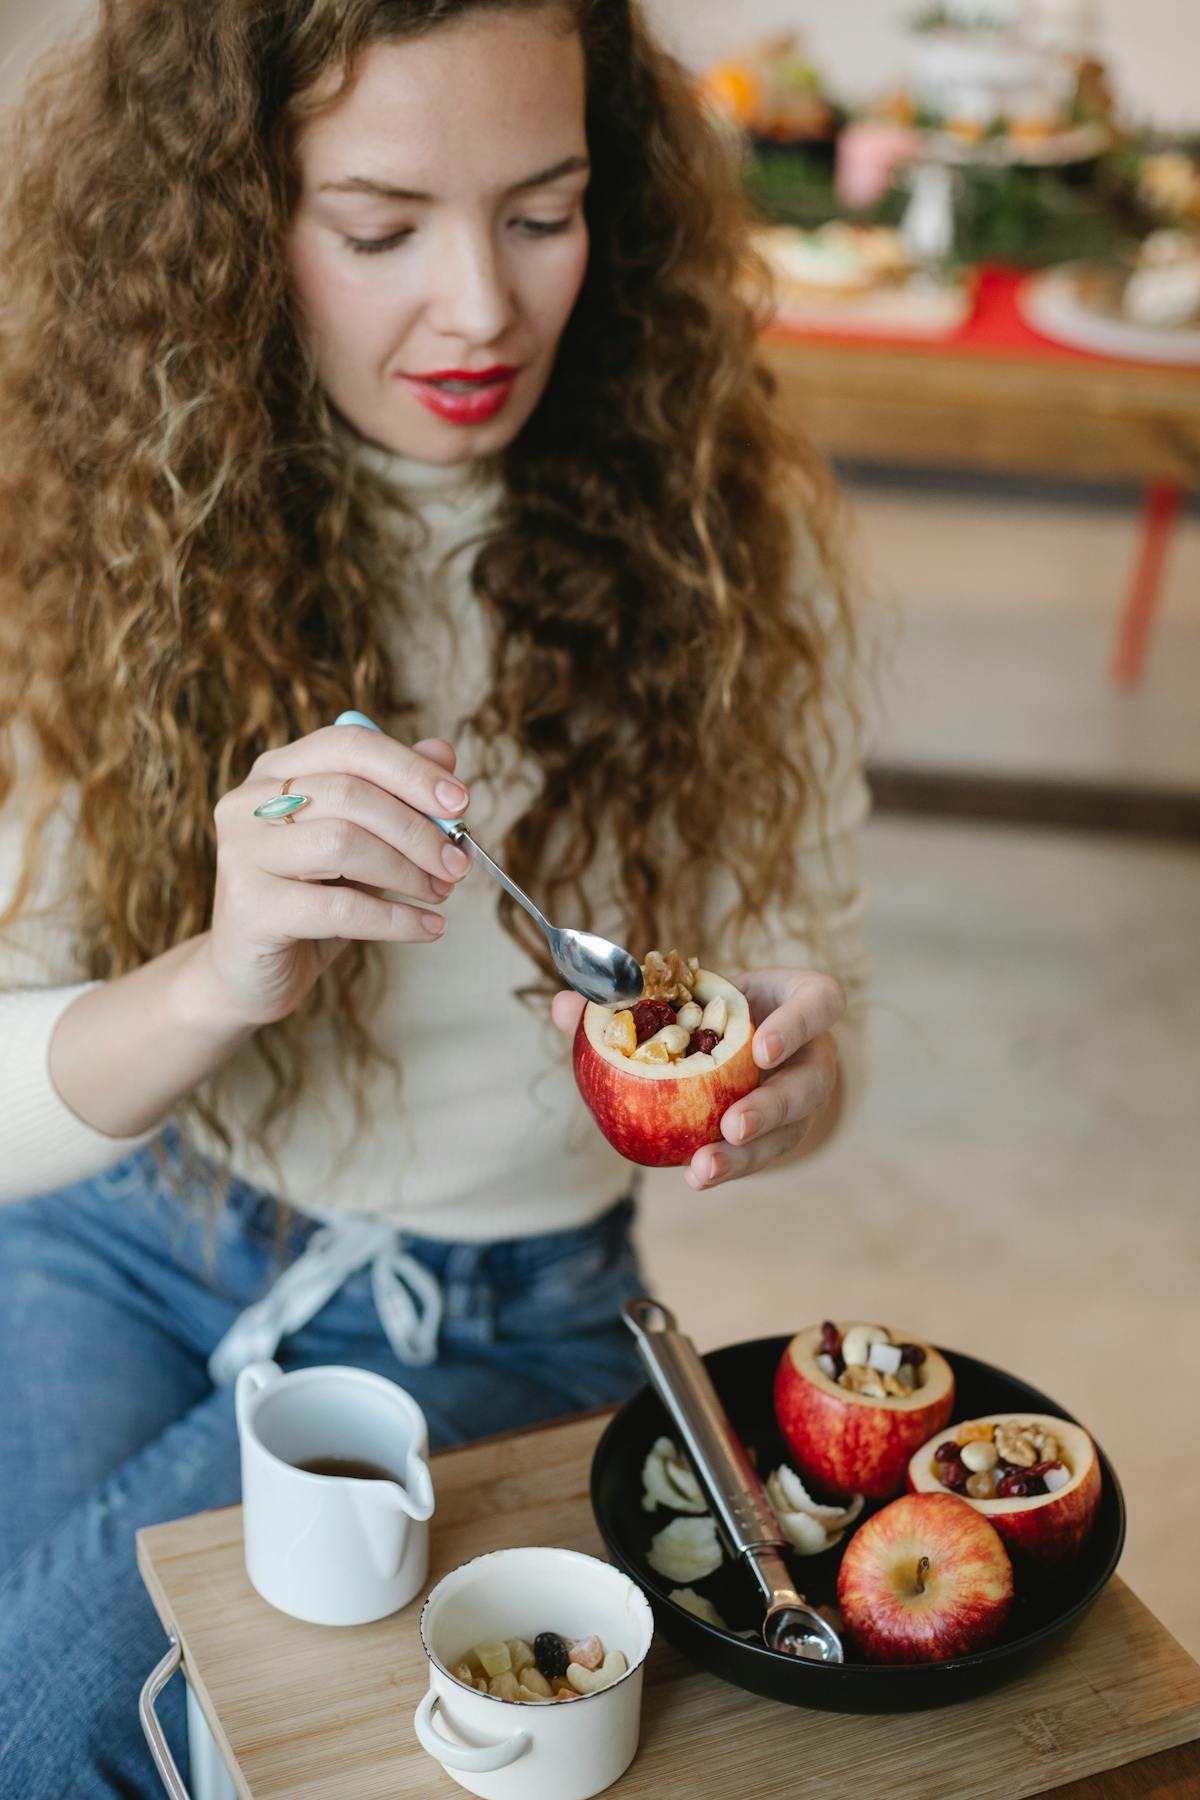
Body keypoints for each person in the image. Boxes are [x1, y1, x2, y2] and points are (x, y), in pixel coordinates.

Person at [0, 0, 868, 1791]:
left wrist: (788, 1078)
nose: (480, 308)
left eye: (542, 213)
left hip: (514, 1302)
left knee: (50, 1729)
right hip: (125, 1224)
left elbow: (802, 983)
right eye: (383, 227)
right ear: (233, 221)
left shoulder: (716, 522)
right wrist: (225, 973)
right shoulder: (79, 512)